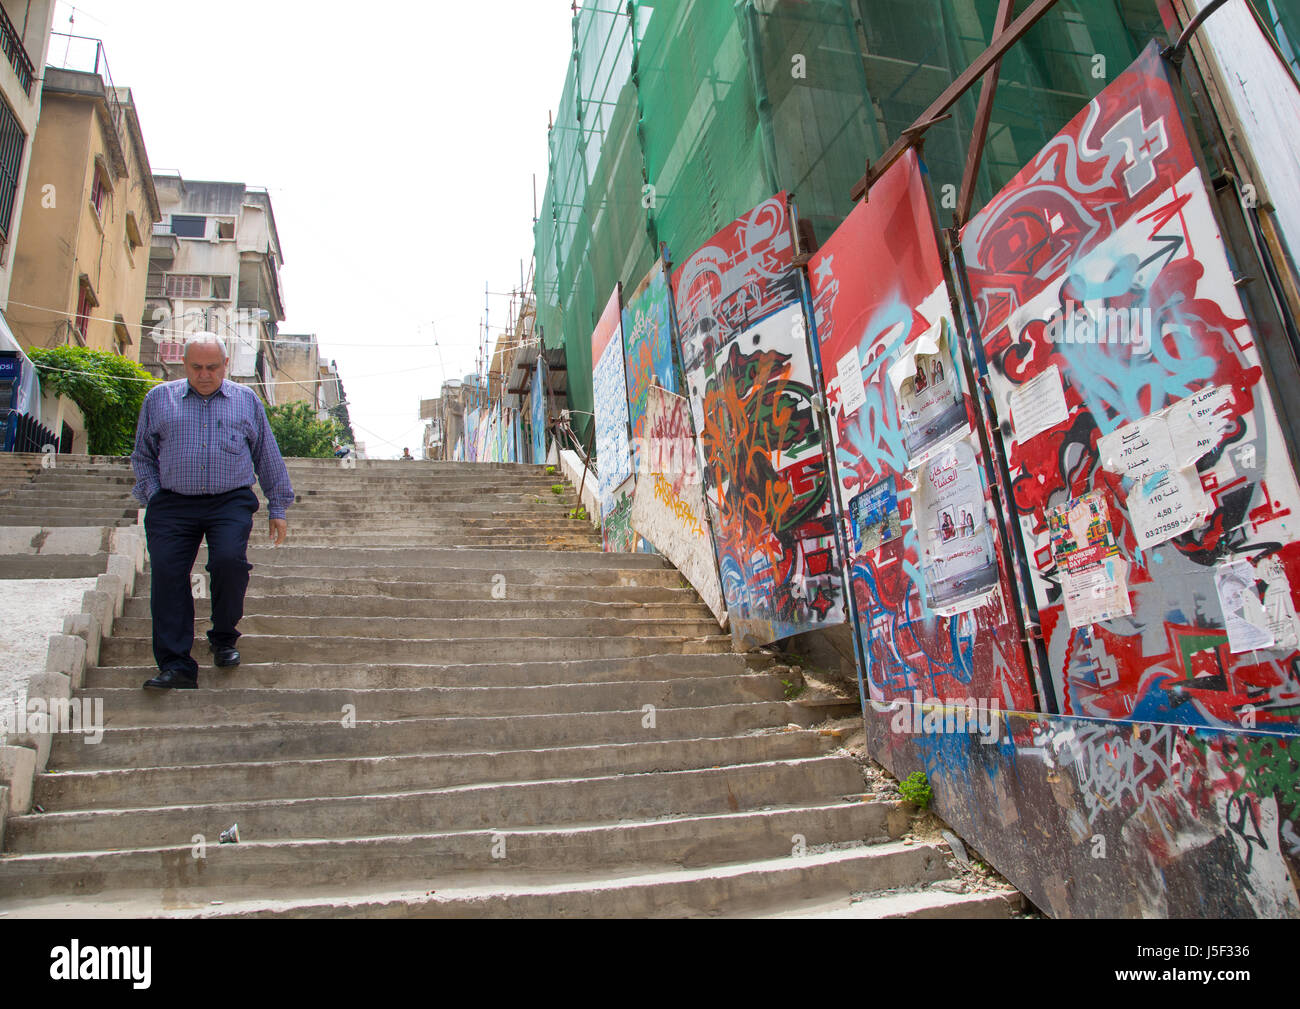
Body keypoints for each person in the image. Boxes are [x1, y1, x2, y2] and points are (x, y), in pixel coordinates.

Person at [130, 333, 294, 690]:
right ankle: (177, 665)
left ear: (225, 365)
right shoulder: (159, 399)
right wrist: (154, 496)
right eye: (197, 367)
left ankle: (223, 637)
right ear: (184, 365)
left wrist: (277, 506)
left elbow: (267, 454)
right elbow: (142, 456)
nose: (205, 375)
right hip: (172, 503)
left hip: (229, 501)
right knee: (168, 575)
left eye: (213, 367)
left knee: (228, 564)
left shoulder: (246, 400)